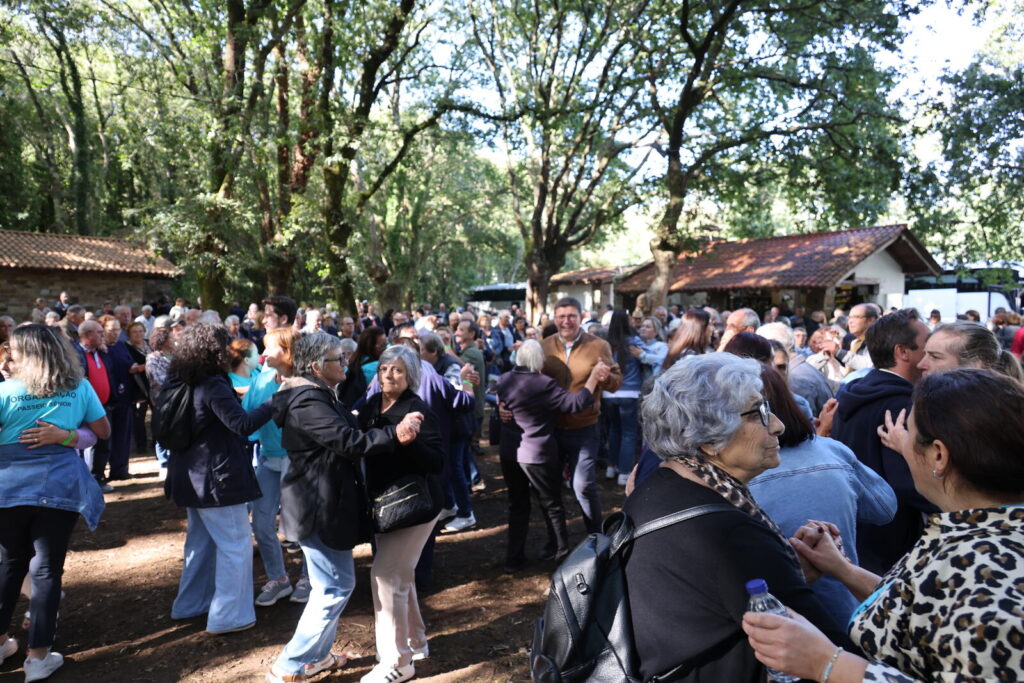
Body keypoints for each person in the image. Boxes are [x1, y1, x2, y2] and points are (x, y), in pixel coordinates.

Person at [744, 369, 1024, 682]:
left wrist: (825, 662)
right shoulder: (971, 532)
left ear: (938, 455)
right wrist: (843, 570)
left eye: (908, 431)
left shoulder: (988, 572)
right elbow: (924, 606)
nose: (901, 441)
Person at [625, 353, 847, 681]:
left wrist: (785, 572)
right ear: (709, 439)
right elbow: (833, 658)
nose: (778, 425)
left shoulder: (657, 485)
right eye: (758, 413)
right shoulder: (730, 536)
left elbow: (705, 597)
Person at [265, 333, 423, 683]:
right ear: (316, 367)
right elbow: (346, 441)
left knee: (331, 585)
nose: (346, 364)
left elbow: (346, 428)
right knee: (334, 587)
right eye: (339, 359)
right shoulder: (308, 401)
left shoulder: (317, 393)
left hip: (320, 503)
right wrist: (394, 435)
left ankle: (315, 657)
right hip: (315, 507)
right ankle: (290, 665)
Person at [0, 324, 111, 682]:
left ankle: (1, 643)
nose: (9, 355)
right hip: (59, 487)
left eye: (14, 349)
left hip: (9, 489)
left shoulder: (5, 391)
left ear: (27, 353)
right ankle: (38, 657)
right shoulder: (79, 387)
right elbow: (103, 431)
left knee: (10, 564)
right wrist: (66, 435)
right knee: (46, 569)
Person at [748, 366, 896, 623]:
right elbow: (884, 508)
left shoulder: (729, 479)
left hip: (782, 622)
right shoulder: (832, 452)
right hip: (846, 613)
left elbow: (885, 509)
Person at [165, 323, 274, 635]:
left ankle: (191, 604)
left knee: (200, 544)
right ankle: (229, 616)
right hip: (217, 479)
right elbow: (241, 424)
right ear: (214, 350)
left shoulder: (180, 380)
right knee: (235, 544)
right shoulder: (212, 384)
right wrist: (276, 401)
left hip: (190, 475)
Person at [357, 346, 445, 683]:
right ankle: (415, 642)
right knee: (400, 575)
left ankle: (397, 662)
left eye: (396, 370)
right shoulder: (371, 405)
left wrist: (411, 441)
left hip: (415, 507)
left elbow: (437, 462)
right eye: (383, 369)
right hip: (384, 506)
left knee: (385, 576)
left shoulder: (417, 409)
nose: (388, 376)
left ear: (410, 375)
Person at [830, 308, 934, 575]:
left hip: (860, 536)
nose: (930, 352)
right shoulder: (902, 406)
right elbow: (907, 483)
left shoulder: (854, 393)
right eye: (927, 343)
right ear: (903, 352)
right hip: (894, 545)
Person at [495, 340, 609, 570]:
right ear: (539, 361)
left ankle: (513, 559)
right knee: (552, 505)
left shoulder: (504, 379)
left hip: (510, 453)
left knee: (517, 505)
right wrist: (593, 378)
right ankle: (561, 554)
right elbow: (574, 404)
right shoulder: (543, 384)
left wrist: (500, 406)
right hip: (536, 454)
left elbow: (501, 399)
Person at [541, 297, 622, 533]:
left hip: (585, 426)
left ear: (581, 317)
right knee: (550, 487)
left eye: (571, 316)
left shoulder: (598, 346)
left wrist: (606, 377)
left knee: (583, 486)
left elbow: (616, 382)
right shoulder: (543, 346)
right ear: (554, 319)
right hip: (551, 427)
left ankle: (596, 537)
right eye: (561, 317)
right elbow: (530, 381)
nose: (566, 321)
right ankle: (557, 541)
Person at [245, 328, 307, 607]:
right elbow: (247, 414)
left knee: (301, 524)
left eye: (269, 348)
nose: (263, 354)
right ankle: (279, 578)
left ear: (288, 351)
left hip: (299, 461)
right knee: (260, 523)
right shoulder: (262, 379)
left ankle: (308, 577)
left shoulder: (307, 381)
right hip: (268, 459)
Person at [603, 310, 643, 486]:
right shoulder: (633, 342)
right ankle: (624, 472)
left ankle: (611, 467)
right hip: (630, 393)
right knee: (629, 433)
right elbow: (646, 357)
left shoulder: (606, 344)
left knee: (614, 430)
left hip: (609, 393)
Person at [145, 325, 175, 477]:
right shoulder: (153, 358)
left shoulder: (177, 355)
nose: (174, 339)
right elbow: (158, 380)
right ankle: (163, 463)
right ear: (163, 340)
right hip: (162, 400)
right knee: (163, 429)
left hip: (178, 399)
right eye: (171, 337)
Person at [631, 316, 667, 380]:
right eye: (642, 326)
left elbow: (663, 360)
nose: (643, 329)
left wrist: (643, 356)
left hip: (653, 382)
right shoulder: (635, 344)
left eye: (647, 327)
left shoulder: (662, 345)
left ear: (656, 331)